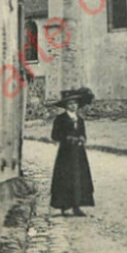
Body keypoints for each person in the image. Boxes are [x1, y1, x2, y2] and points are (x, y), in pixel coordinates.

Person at [50, 87, 95, 216]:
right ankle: (64, 206)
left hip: (79, 153)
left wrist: (82, 138)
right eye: (70, 104)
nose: (73, 106)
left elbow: (83, 134)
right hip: (65, 153)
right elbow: (55, 135)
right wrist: (67, 138)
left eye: (75, 103)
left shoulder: (80, 120)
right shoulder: (60, 119)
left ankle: (77, 206)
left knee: (78, 178)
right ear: (65, 106)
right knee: (65, 177)